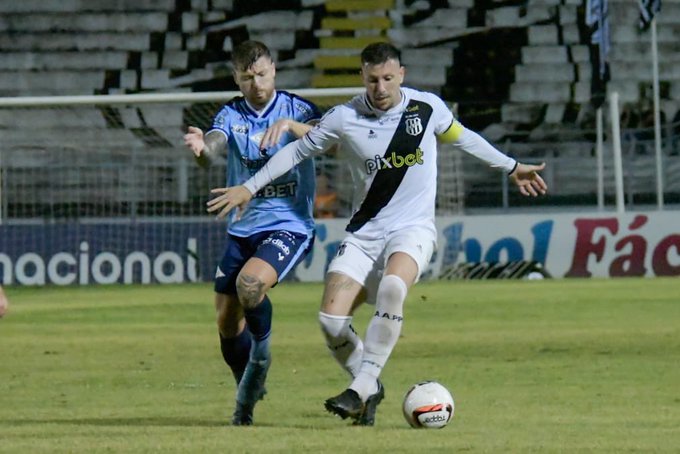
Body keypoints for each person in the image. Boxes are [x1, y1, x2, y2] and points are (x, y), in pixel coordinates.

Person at [206, 42, 548, 426]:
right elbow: (294, 154)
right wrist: (249, 187)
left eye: (388, 78)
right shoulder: (344, 117)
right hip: (365, 232)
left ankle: (361, 387)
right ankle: (370, 386)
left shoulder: (426, 109)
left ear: (401, 74)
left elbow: (465, 138)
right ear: (362, 78)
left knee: (392, 288)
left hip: (412, 229)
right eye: (372, 80)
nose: (381, 87)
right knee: (330, 321)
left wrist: (511, 166)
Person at [183, 40, 321, 426]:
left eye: (261, 74)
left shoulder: (298, 108)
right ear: (236, 78)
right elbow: (214, 143)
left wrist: (294, 129)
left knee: (249, 285)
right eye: (247, 77)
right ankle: (247, 383)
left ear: (273, 69)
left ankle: (261, 355)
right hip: (243, 229)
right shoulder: (230, 113)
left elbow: (329, 139)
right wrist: (200, 150)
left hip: (289, 224)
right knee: (227, 321)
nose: (256, 83)